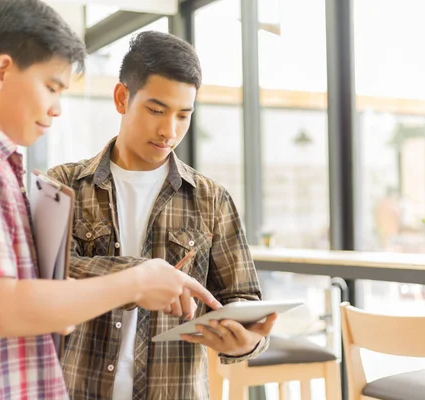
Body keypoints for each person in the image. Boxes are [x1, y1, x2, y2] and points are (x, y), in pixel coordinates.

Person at [0, 2, 219, 399]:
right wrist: (137, 281)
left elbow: (13, 302)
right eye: (52, 87)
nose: (57, 109)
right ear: (2, 70)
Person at [48, 31, 276, 400]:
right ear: (123, 98)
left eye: (183, 116)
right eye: (156, 110)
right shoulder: (63, 186)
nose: (169, 131)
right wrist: (140, 278)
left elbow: (244, 298)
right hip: (74, 390)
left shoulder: (211, 199)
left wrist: (245, 343)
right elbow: (47, 276)